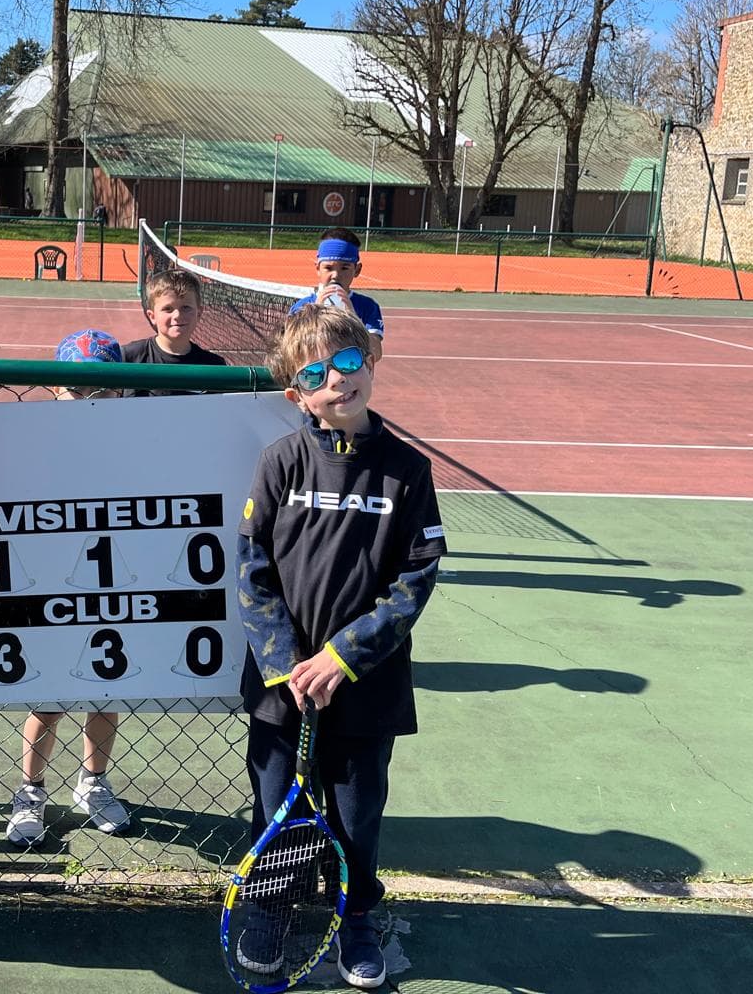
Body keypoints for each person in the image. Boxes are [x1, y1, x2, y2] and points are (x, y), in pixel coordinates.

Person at [234, 304, 445, 990]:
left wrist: (343, 657)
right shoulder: (280, 462)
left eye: (349, 362)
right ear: (297, 394)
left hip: (365, 686)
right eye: (317, 373)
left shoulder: (408, 471)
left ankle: (355, 915)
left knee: (357, 816)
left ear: (370, 363)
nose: (337, 380)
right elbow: (253, 571)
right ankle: (271, 908)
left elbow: (415, 579)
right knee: (279, 810)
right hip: (284, 692)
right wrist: (286, 666)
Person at [5, 328, 133, 846]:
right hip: (54, 584)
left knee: (106, 689)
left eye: (101, 390)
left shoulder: (137, 440)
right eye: (75, 389)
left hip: (113, 579)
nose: (87, 400)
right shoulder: (34, 442)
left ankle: (93, 781)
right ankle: (30, 789)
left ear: (120, 391)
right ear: (54, 389)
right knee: (49, 697)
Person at [120, 269, 228, 397]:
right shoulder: (128, 358)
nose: (177, 315)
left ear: (199, 313)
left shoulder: (214, 366)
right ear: (152, 316)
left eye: (186, 308)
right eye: (168, 309)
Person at [287, 228, 385, 359]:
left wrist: (353, 318)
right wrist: (314, 316)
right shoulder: (302, 307)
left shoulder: (367, 307)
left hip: (352, 372)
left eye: (344, 268)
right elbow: (291, 352)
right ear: (318, 269)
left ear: (357, 270)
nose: (335, 275)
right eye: (328, 268)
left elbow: (376, 353)